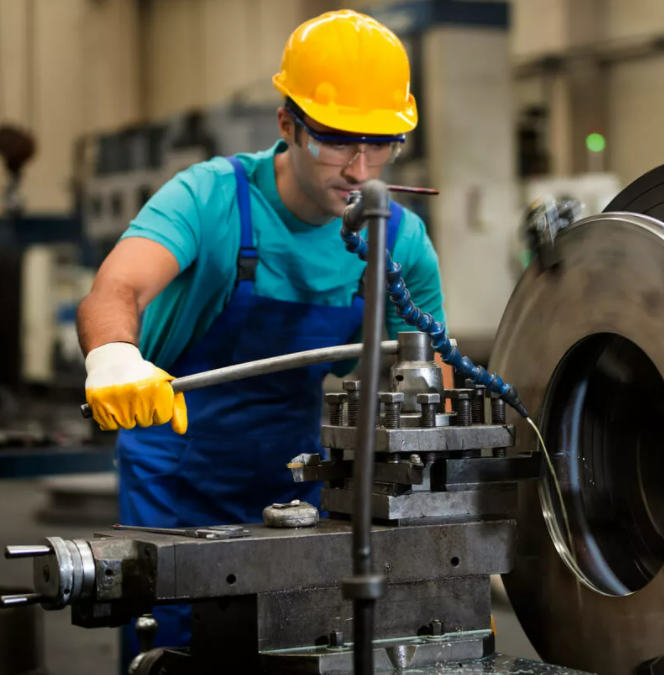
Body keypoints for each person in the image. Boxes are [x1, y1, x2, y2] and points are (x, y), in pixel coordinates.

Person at [77, 10, 448, 656]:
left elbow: (427, 370)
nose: (360, 170)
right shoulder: (211, 198)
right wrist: (112, 353)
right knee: (174, 651)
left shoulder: (399, 239)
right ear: (286, 124)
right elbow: (117, 288)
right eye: (335, 140)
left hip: (297, 479)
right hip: (177, 478)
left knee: (294, 646)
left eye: (380, 143)